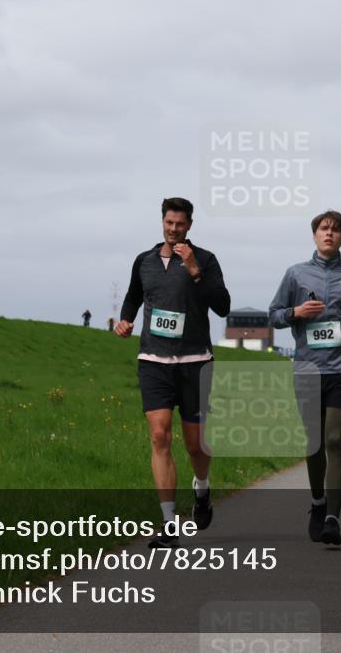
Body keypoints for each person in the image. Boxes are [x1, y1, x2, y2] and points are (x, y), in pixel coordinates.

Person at [116, 197, 231, 548]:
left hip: (195, 362)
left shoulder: (206, 260)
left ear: (190, 225)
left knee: (196, 445)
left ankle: (202, 488)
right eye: (168, 222)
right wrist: (126, 319)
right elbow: (134, 296)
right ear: (162, 222)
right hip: (154, 361)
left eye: (180, 224)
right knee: (159, 437)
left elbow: (223, 306)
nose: (173, 229)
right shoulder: (144, 261)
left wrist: (194, 269)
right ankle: (168, 524)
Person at [269, 210, 341, 546]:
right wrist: (296, 313)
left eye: (335, 230)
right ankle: (317, 503)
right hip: (308, 367)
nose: (329, 234)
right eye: (323, 229)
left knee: (334, 440)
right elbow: (274, 314)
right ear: (314, 234)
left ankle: (333, 517)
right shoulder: (296, 274)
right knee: (313, 442)